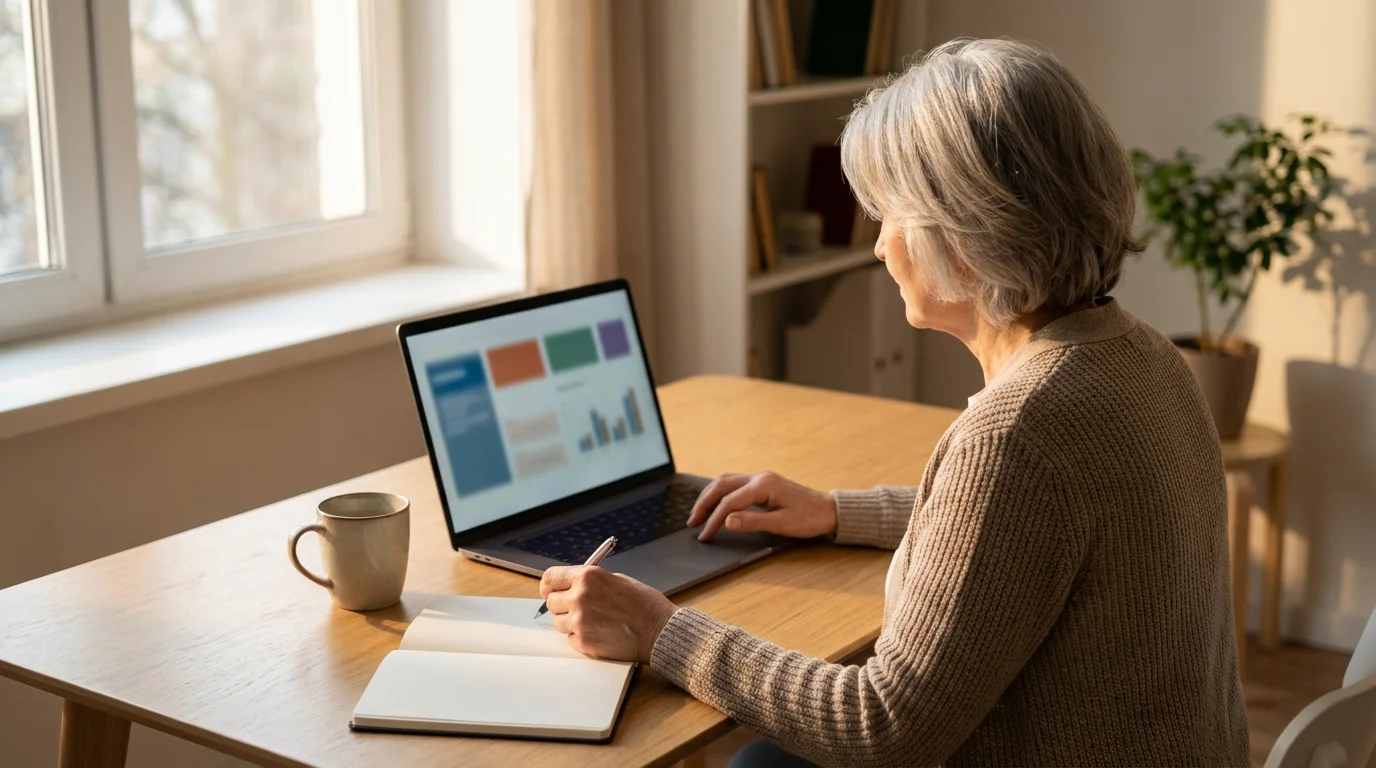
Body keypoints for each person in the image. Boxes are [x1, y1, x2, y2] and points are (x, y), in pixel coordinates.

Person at [538, 38, 1250, 766]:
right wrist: (838, 512)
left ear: (967, 236)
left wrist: (662, 629)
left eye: (892, 216)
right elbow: (1030, 533)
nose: (880, 247)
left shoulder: (1018, 433)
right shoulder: (1142, 357)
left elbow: (881, 728)